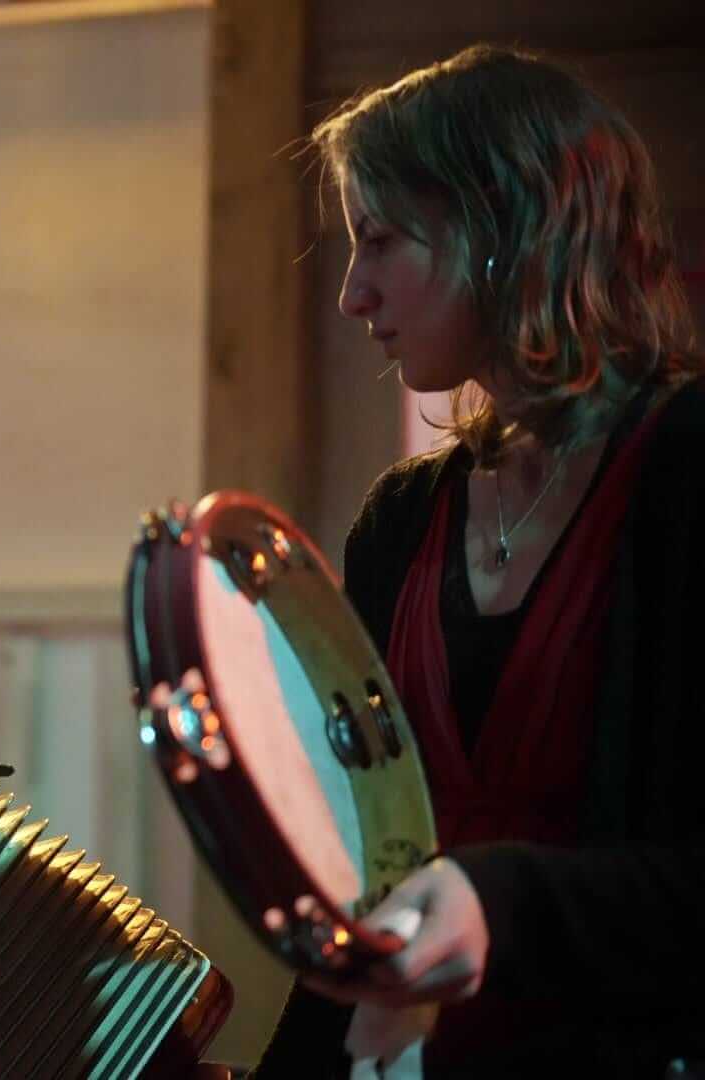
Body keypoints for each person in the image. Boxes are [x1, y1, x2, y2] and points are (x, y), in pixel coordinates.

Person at [252, 43, 705, 1078]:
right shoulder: (402, 518)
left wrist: (496, 899)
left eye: (380, 242)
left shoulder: (684, 472)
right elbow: (370, 881)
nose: (350, 295)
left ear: (502, 235)